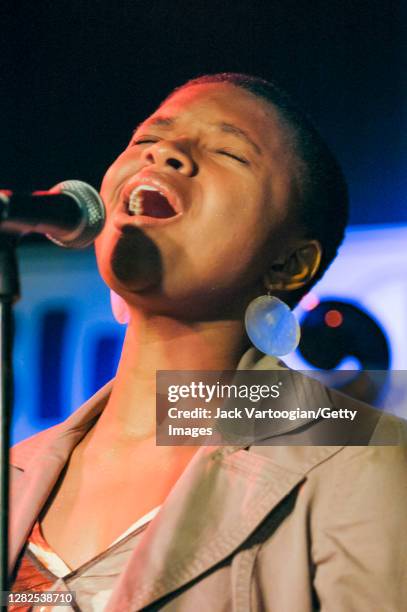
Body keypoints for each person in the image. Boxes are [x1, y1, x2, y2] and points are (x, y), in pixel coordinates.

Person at [9, 74, 407, 611]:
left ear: (290, 263)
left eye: (227, 152)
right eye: (146, 141)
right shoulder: (17, 472)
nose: (166, 153)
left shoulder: (361, 457)